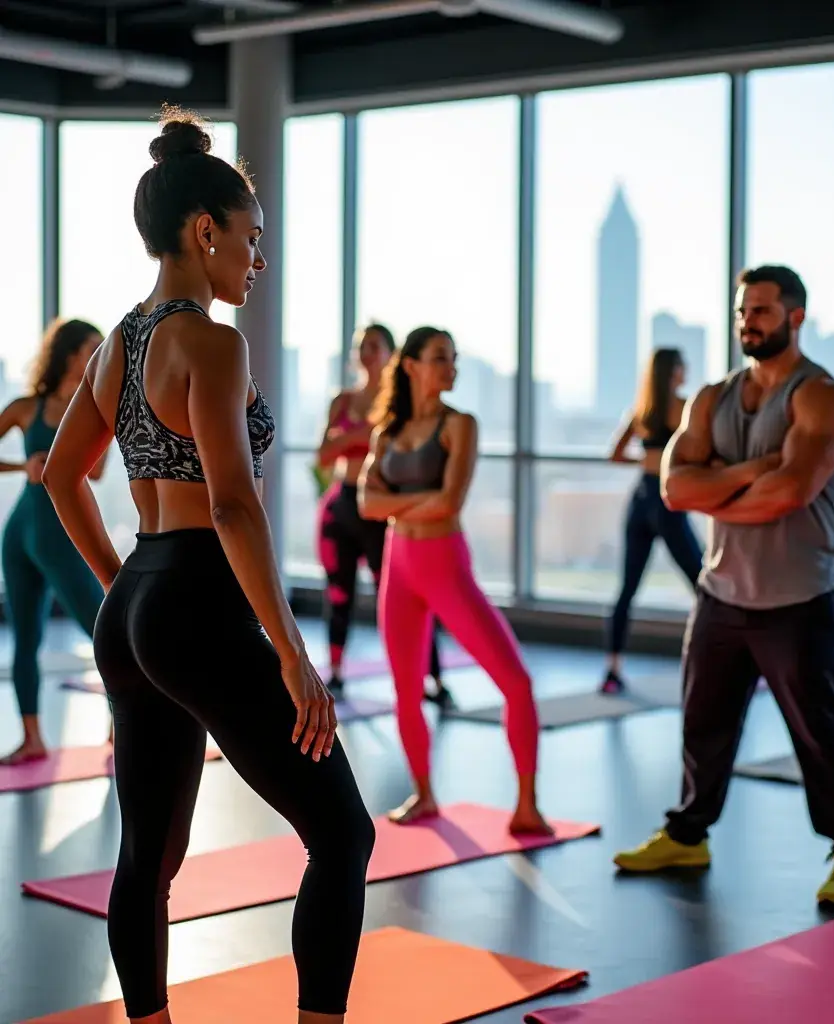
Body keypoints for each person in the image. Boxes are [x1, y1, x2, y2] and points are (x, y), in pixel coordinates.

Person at [41, 106, 373, 1024]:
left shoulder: (118, 342)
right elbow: (232, 505)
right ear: (204, 230)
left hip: (143, 597)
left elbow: (63, 478)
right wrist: (294, 655)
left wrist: (124, 588)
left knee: (147, 857)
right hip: (198, 597)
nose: (257, 259)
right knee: (343, 832)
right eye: (251, 238)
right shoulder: (212, 344)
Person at [613, 265, 834, 907]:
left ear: (795, 317)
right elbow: (675, 489)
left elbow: (792, 493)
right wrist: (759, 468)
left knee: (821, 733)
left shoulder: (821, 397)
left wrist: (722, 484)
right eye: (741, 311)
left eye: (761, 310)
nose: (747, 322)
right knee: (703, 721)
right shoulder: (712, 397)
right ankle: (689, 833)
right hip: (723, 594)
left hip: (802, 598)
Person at [358, 326, 549, 834]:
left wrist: (396, 506)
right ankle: (423, 794)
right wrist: (417, 504)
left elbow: (448, 502)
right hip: (400, 568)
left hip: (444, 563)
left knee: (516, 682)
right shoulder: (387, 433)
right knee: (404, 691)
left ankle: (528, 804)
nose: (452, 368)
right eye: (441, 359)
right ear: (412, 366)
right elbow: (363, 503)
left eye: (454, 359)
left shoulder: (459, 424)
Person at [315, 323, 453, 707]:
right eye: (361, 345)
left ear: (390, 354)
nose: (366, 353)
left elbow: (394, 452)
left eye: (375, 346)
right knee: (338, 593)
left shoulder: (397, 403)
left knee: (403, 596)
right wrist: (362, 438)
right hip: (341, 504)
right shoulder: (341, 400)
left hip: (379, 510)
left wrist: (348, 441)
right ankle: (337, 673)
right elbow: (323, 455)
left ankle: (434, 679)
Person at [0, 318, 110, 764]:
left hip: (61, 534)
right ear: (69, 353)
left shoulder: (94, 406)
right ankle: (32, 738)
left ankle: (119, 726)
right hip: (20, 532)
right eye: (92, 349)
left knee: (104, 633)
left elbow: (97, 474)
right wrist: (22, 468)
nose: (99, 357)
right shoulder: (27, 407)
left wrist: (63, 462)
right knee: (25, 638)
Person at [602, 346, 703, 693]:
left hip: (641, 499)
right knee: (705, 586)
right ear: (672, 372)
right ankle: (721, 666)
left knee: (626, 590)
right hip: (666, 499)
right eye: (681, 366)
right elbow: (700, 453)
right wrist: (668, 464)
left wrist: (646, 460)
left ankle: (612, 670)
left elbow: (614, 455)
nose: (685, 371)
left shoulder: (640, 410)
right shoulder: (684, 408)